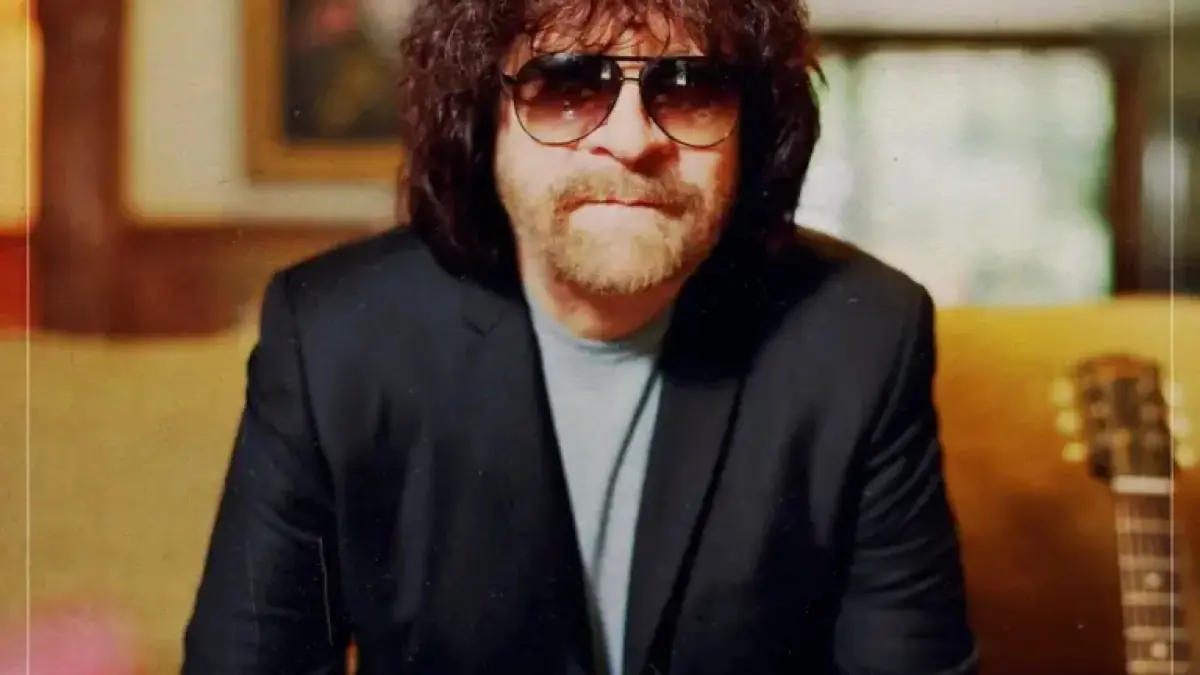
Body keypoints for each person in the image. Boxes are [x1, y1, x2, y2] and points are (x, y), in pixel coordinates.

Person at [182, 0, 979, 673]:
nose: (631, 140)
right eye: (566, 85)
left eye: (690, 88)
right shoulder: (333, 335)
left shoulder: (863, 335)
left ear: (752, 130)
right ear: (482, 120)